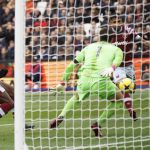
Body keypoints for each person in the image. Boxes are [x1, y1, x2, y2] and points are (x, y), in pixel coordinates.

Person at [50, 41, 124, 137]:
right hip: (100, 81)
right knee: (119, 99)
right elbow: (116, 63)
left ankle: (61, 116)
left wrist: (62, 82)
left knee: (76, 98)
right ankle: (97, 124)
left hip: (84, 79)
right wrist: (112, 68)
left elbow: (71, 65)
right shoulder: (117, 49)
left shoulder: (88, 47)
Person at [100, 15, 141, 121]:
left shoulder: (128, 30)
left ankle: (128, 104)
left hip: (129, 65)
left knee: (131, 89)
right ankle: (131, 110)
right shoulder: (107, 34)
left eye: (119, 21)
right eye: (114, 22)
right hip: (116, 66)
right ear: (110, 24)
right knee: (124, 87)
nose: (117, 23)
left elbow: (139, 40)